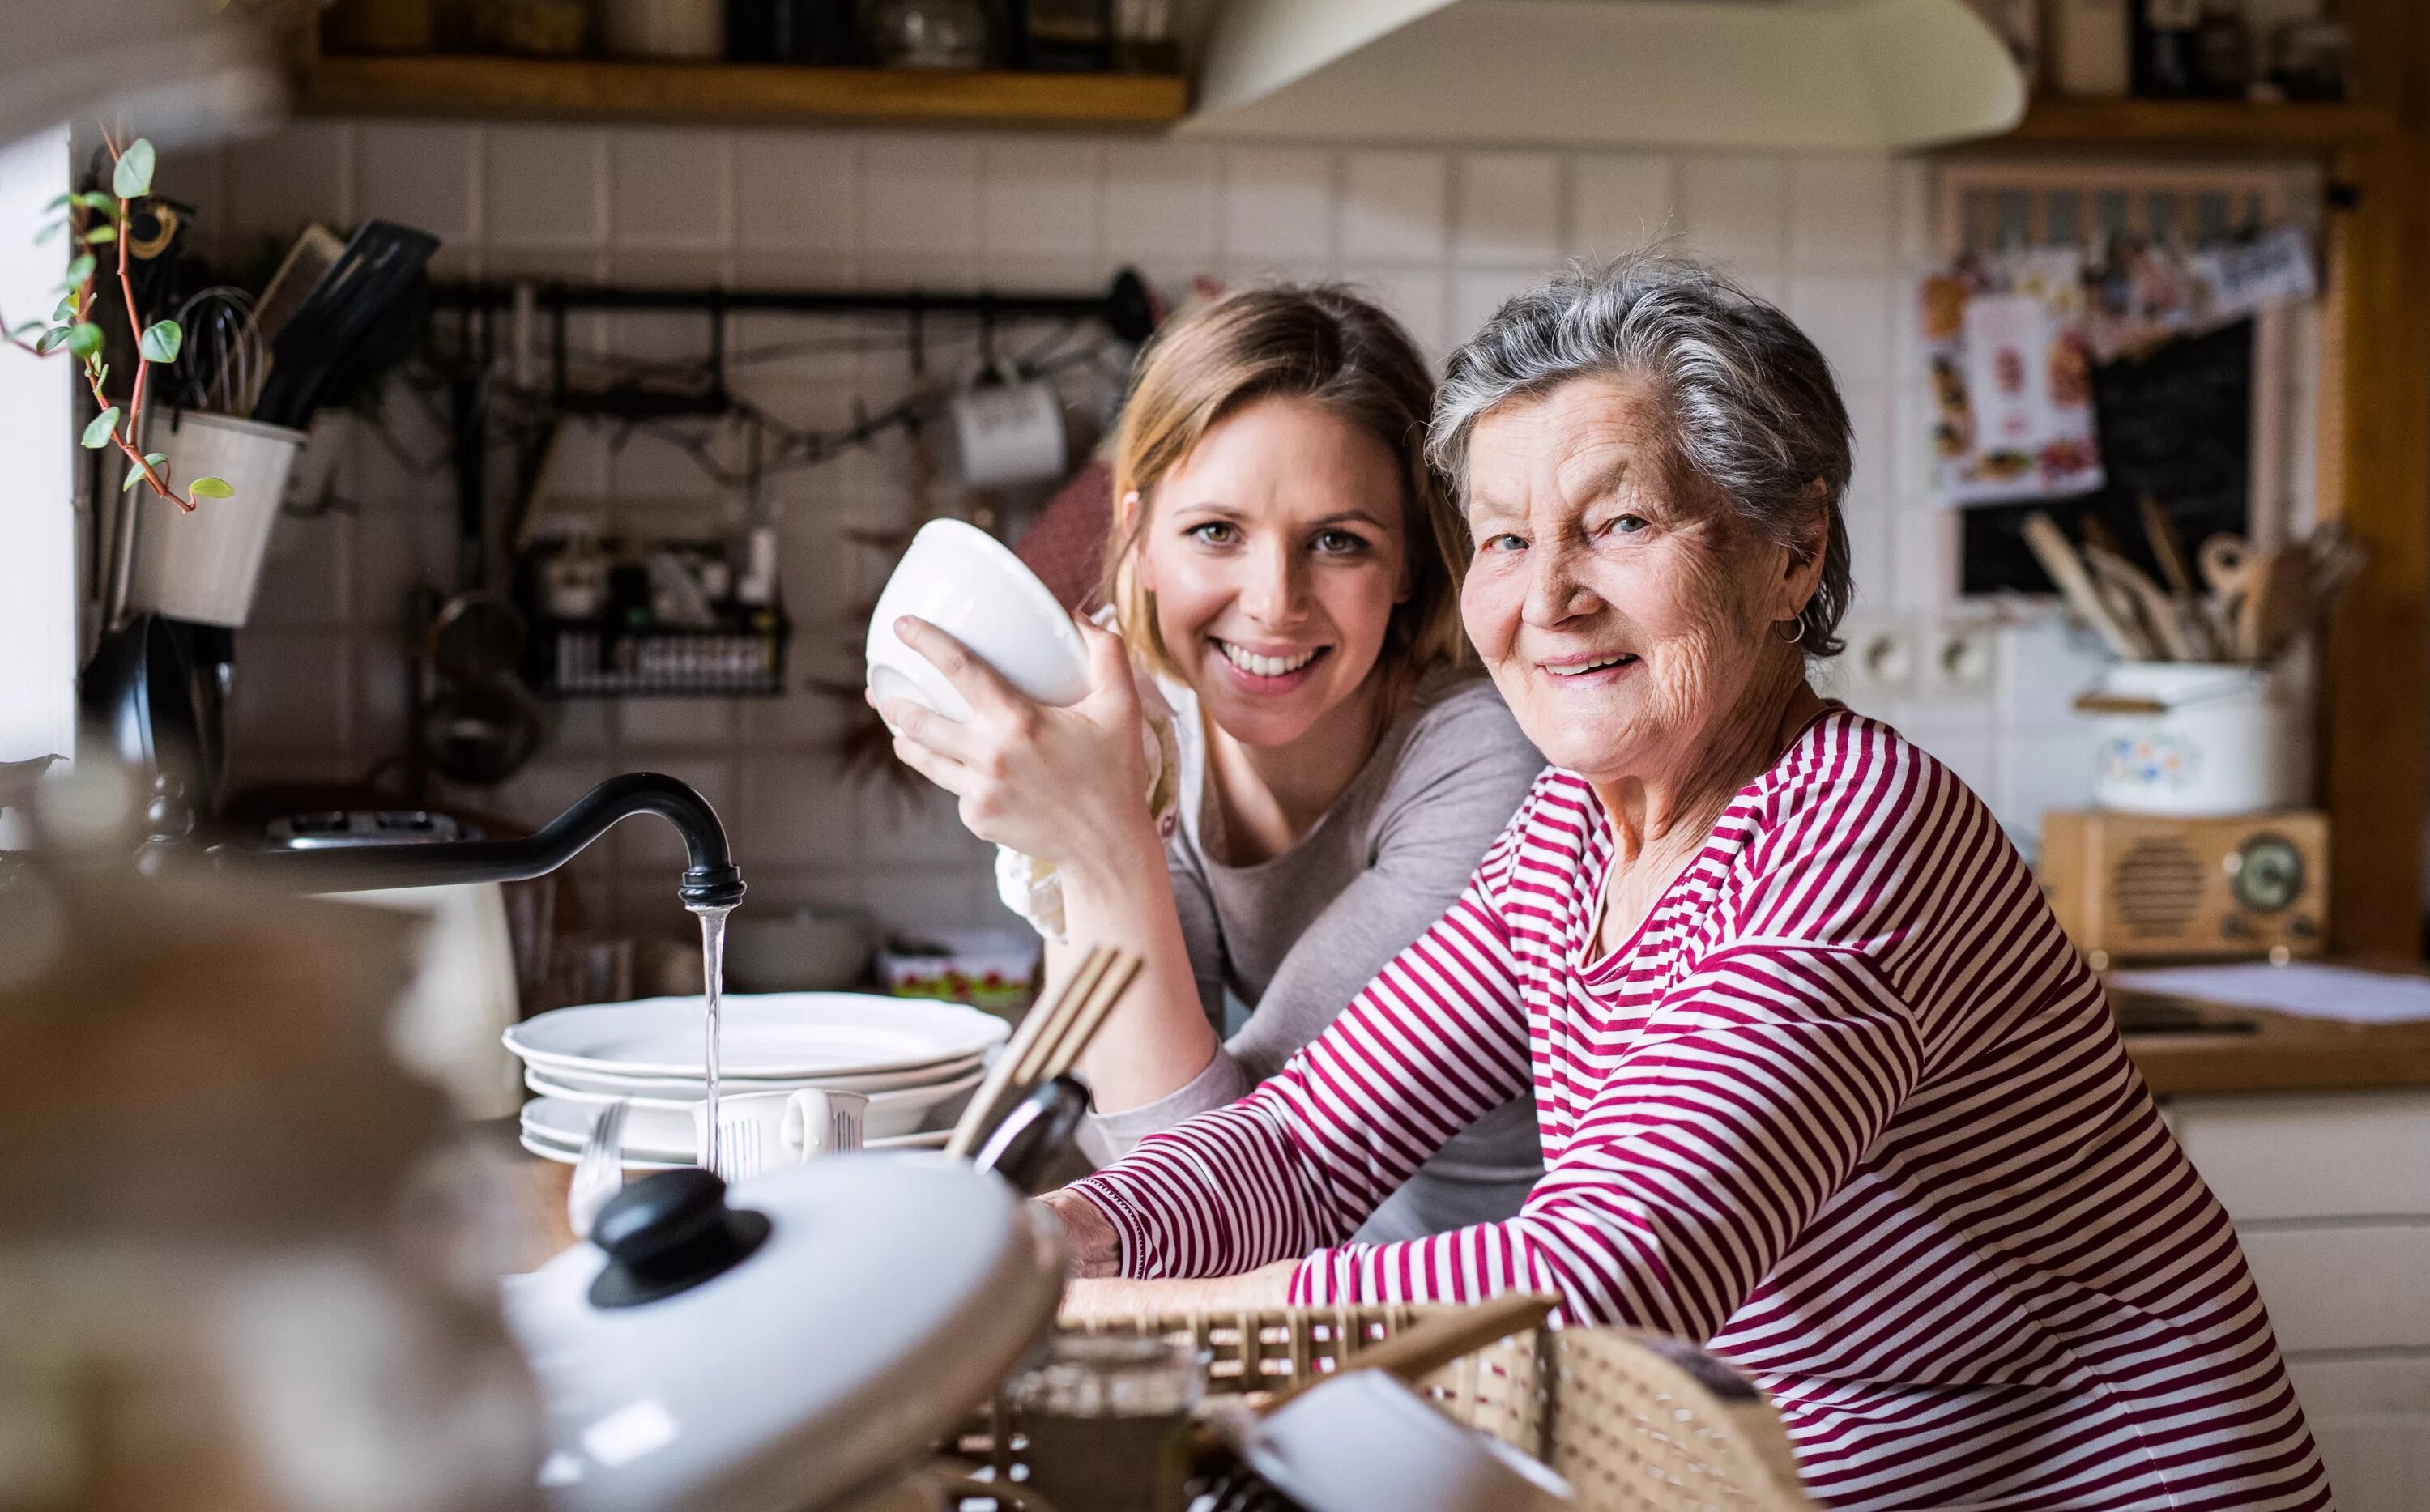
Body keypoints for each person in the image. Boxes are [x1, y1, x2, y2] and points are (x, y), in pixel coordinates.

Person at [1036, 256, 2331, 1511]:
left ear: (1792, 550)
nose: (1548, 597)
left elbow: (1604, 1273)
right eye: (1502, 538)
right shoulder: (1571, 832)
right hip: (1807, 1467)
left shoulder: (1857, 834)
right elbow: (1309, 1142)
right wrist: (1049, 1244)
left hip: (2095, 1480)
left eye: (1622, 523)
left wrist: (1121, 1314)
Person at [880, 286, 1545, 1238]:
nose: (1274, 601)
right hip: (1293, 1304)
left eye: (1337, 541)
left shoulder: (1481, 766)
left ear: (1407, 568)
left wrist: (1098, 837)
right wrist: (1073, 843)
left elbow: (1220, 1194)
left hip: (1483, 1320)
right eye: (1216, 532)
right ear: (1139, 536)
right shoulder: (1150, 724)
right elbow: (1139, 1158)